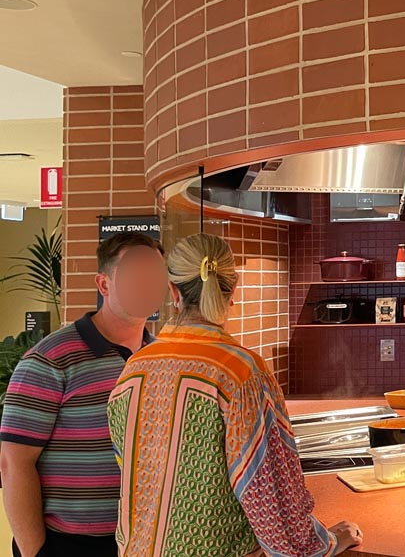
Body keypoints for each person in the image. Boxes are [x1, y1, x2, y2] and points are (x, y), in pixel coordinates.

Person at [106, 233, 362, 557]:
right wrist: (327, 541)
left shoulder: (133, 371)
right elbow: (272, 500)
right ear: (232, 292)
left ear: (172, 292)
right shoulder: (240, 372)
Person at [1, 232, 167, 557]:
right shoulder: (50, 359)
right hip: (69, 543)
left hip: (146, 539)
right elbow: (13, 462)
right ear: (104, 285)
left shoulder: (162, 358)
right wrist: (36, 551)